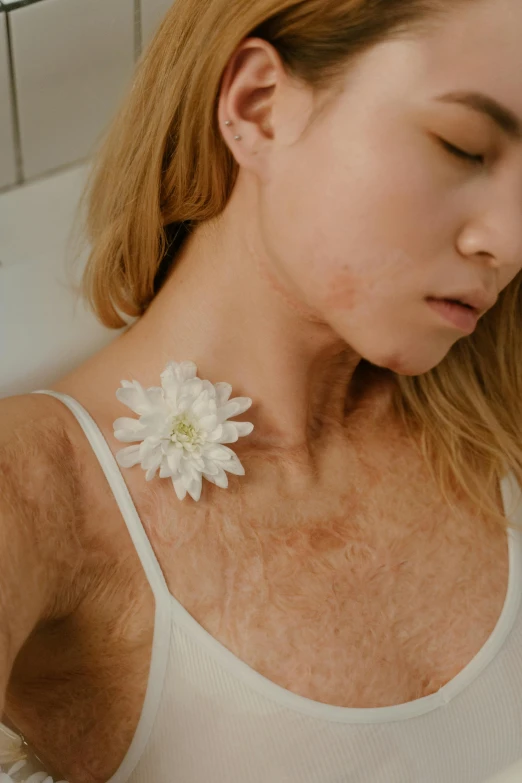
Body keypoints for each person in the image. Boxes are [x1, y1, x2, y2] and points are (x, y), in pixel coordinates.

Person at [1, 0, 522, 780]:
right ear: (258, 106)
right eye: (463, 146)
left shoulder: (495, 407)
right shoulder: (39, 490)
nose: (508, 241)